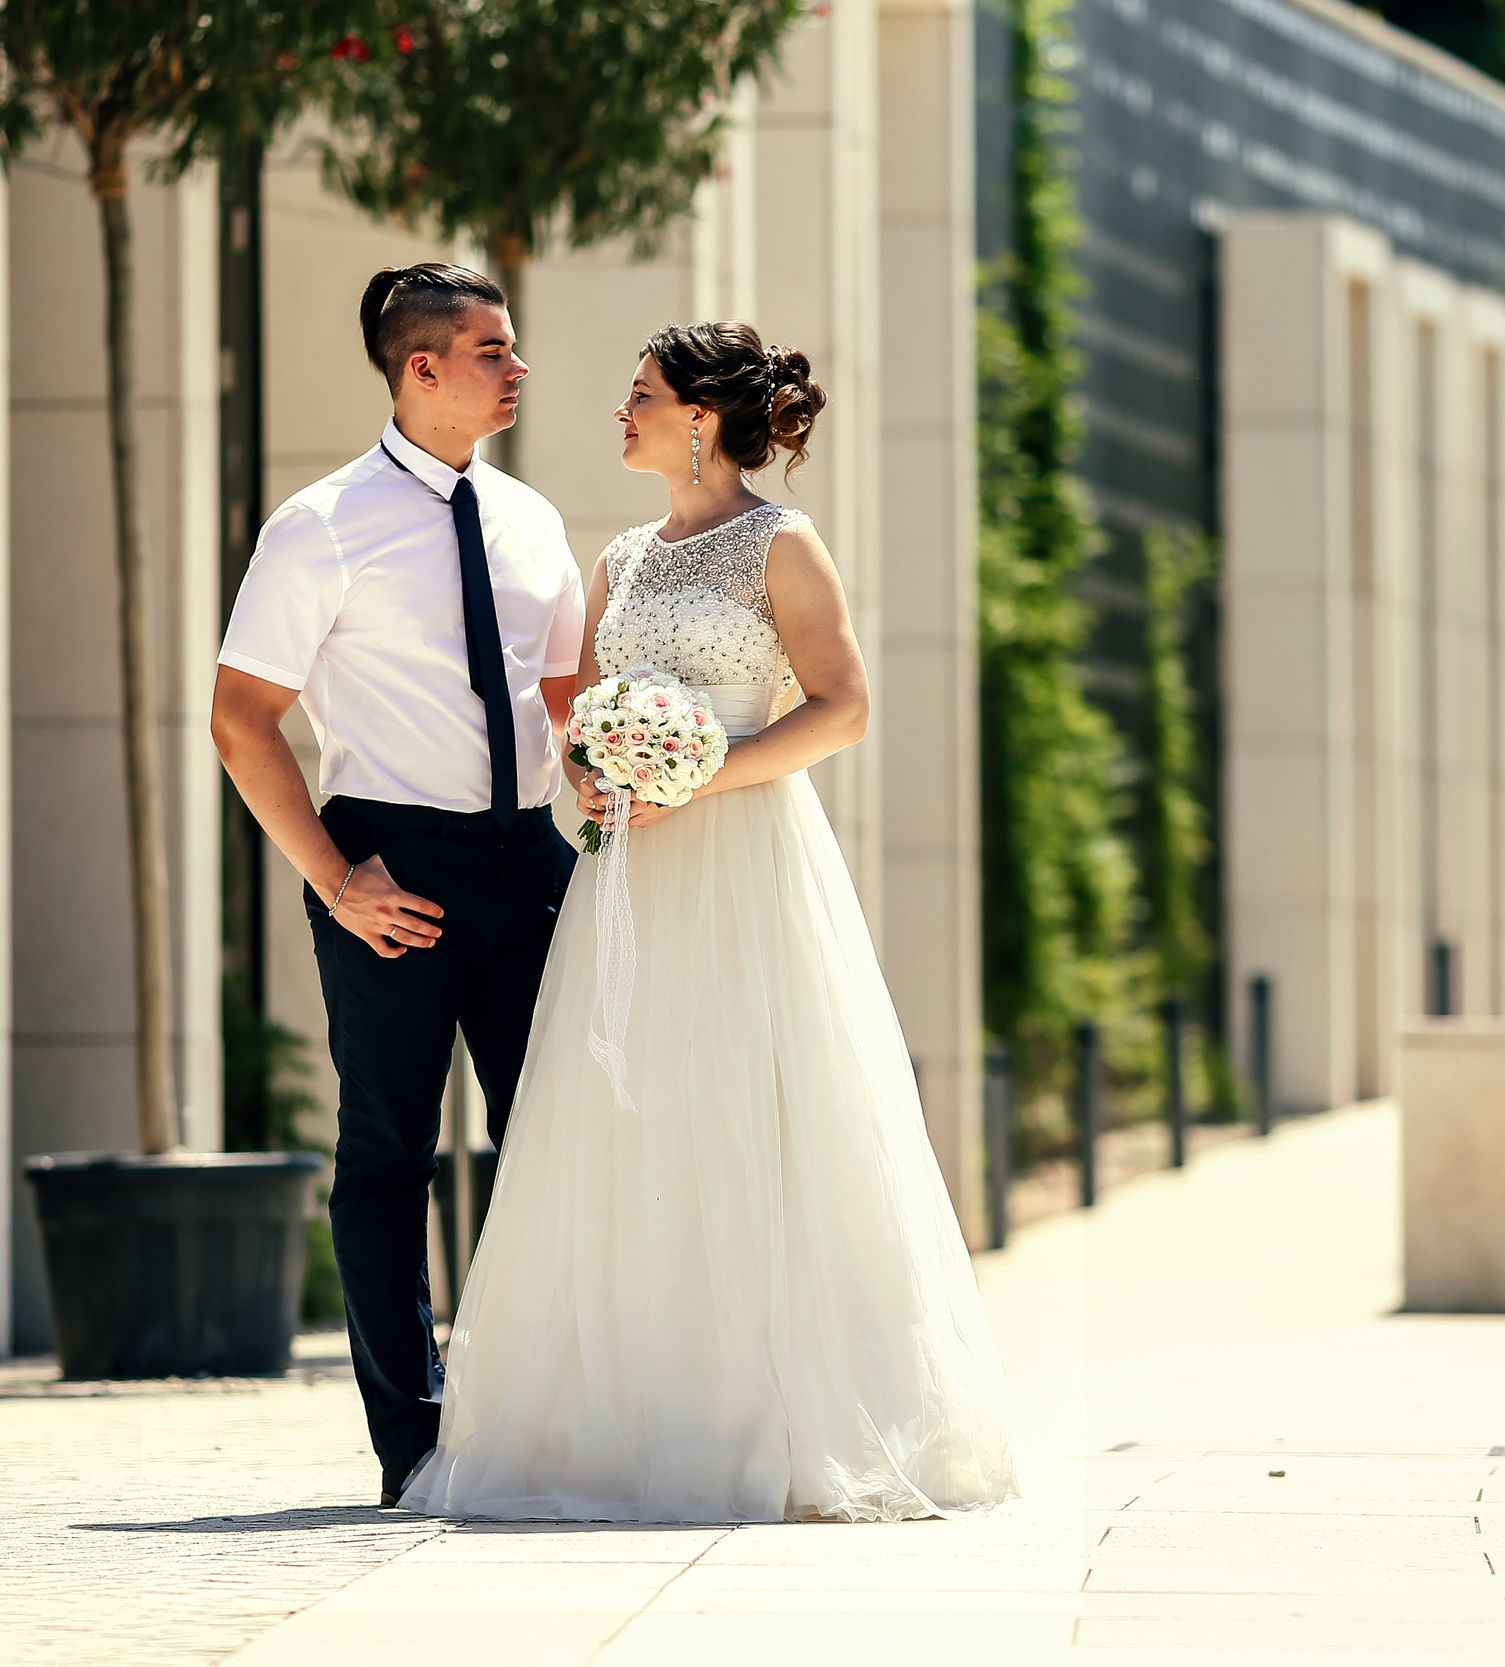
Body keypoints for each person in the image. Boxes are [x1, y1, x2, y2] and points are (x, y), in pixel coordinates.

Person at [398, 322, 1021, 1523]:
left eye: (639, 395)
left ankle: (776, 1418)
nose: (617, 413)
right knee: (630, 1126)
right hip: (627, 877)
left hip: (745, 865)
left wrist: (699, 771)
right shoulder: (621, 557)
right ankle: (635, 1417)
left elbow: (843, 709)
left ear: (699, 417)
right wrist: (591, 772)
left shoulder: (780, 545)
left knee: (755, 1118)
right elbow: (578, 709)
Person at [210, 264, 585, 1507]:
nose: (516, 368)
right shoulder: (319, 527)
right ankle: (413, 1441)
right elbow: (241, 718)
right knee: (388, 1157)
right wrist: (335, 878)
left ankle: (541, 1407)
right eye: (493, 351)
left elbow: (573, 709)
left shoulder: (532, 522)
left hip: (529, 860)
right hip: (391, 864)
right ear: (419, 369)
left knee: (557, 1142)